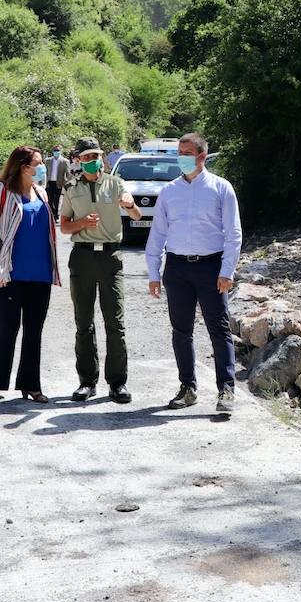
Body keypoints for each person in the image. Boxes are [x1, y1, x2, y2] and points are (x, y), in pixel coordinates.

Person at [145, 132, 242, 413]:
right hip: (177, 268)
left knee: (219, 328)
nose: (181, 158)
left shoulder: (221, 188)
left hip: (210, 267)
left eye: (187, 153)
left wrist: (227, 270)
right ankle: (188, 388)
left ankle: (226, 390)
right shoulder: (170, 191)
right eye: (180, 152)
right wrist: (154, 272)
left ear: (201, 156)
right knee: (181, 330)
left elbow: (233, 233)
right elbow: (158, 233)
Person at [59, 136, 142, 404]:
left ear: (101, 157)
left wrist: (129, 205)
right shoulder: (71, 187)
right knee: (84, 323)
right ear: (78, 161)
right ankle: (87, 382)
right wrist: (82, 222)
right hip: (82, 258)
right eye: (85, 157)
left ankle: (117, 383)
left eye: (95, 156)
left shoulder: (116, 184)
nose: (91, 161)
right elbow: (64, 226)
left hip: (110, 258)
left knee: (115, 324)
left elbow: (137, 216)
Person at [0, 145, 60, 403]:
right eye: (37, 163)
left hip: (40, 274)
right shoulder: (1, 190)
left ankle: (31, 385)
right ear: (23, 167)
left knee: (34, 330)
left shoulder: (41, 192)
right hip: (9, 274)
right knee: (8, 328)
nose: (42, 167)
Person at [44, 145, 68, 217]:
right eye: (55, 150)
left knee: (56, 200)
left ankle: (56, 215)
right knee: (49, 200)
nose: (56, 152)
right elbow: (45, 171)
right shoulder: (47, 160)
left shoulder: (64, 161)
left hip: (58, 183)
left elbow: (68, 173)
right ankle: (51, 214)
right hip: (49, 183)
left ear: (60, 151)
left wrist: (65, 182)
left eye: (57, 150)